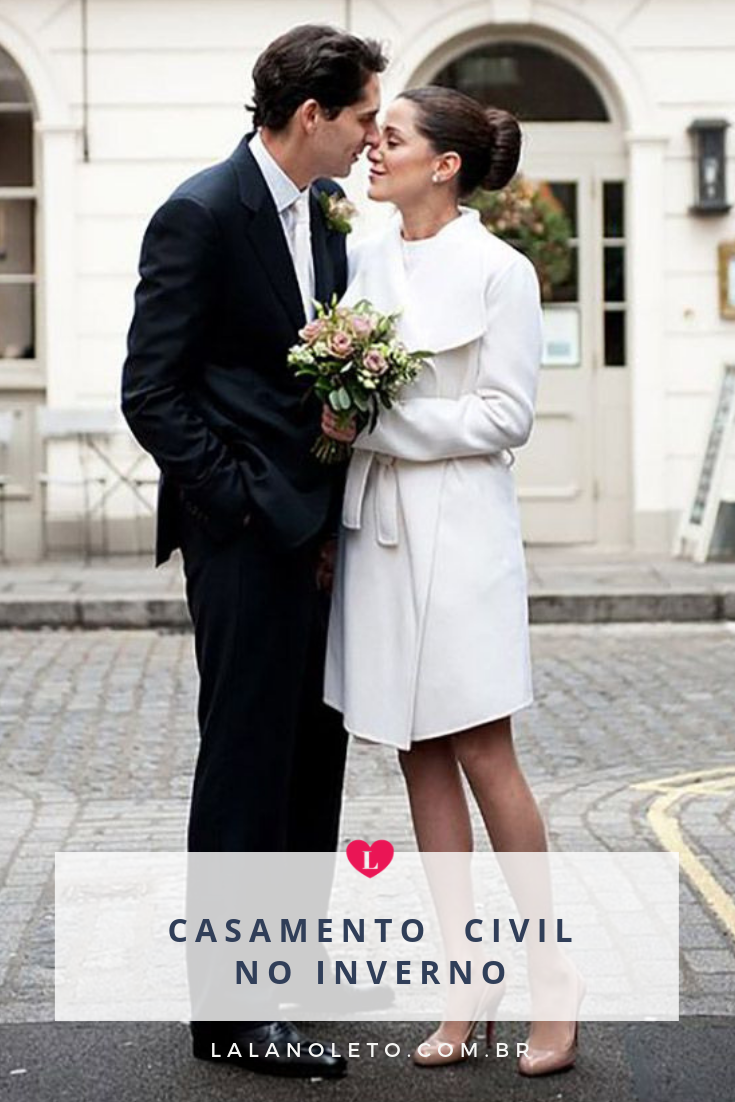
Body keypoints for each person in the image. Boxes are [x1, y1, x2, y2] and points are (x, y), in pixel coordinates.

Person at [121, 24, 387, 1079]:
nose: (373, 134)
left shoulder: (323, 217)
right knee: (245, 761)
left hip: (318, 535)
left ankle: (291, 980)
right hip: (239, 541)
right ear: (312, 114)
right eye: (365, 114)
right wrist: (238, 503)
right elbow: (152, 391)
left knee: (309, 758)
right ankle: (231, 1015)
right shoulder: (199, 212)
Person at [324, 86, 583, 1076]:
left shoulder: (503, 271)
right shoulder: (362, 259)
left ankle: (554, 980)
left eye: (390, 138)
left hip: (466, 529)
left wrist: (380, 425)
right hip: (378, 528)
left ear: (445, 164)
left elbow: (505, 417)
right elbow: (337, 389)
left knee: (482, 745)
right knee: (415, 751)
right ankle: (464, 980)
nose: (371, 148)